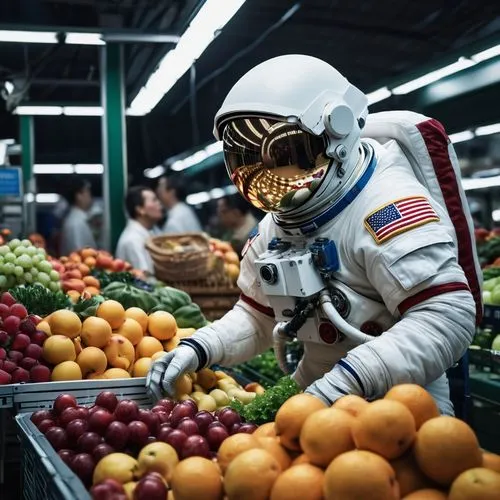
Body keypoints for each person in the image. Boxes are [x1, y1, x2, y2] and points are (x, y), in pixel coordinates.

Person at [146, 55, 481, 415]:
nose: (269, 175)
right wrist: (198, 347)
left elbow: (446, 314)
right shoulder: (277, 223)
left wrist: (348, 380)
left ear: (335, 133)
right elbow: (257, 317)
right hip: (315, 394)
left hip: (401, 403)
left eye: (287, 153)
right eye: (246, 161)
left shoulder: (386, 205)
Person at [116, 186, 163, 274]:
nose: (159, 203)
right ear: (140, 209)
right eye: (154, 200)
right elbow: (145, 277)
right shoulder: (132, 240)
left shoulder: (151, 231)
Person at [60, 177, 96, 255]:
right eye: (88, 192)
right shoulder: (76, 222)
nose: (90, 196)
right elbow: (79, 253)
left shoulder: (79, 219)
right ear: (79, 196)